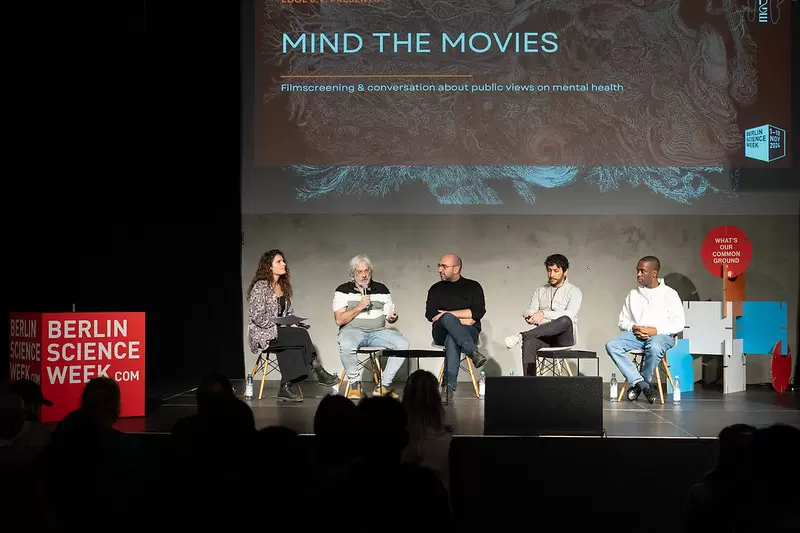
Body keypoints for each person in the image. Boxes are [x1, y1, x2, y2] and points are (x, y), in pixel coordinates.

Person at [248, 249, 339, 402]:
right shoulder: (260, 287)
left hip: (281, 334)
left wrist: (292, 322)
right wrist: (279, 325)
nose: (283, 264)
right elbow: (257, 317)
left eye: (283, 261)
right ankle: (318, 370)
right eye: (279, 262)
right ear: (269, 266)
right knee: (301, 335)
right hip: (263, 334)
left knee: (294, 342)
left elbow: (288, 312)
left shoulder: (282, 286)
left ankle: (285, 388)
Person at [605, 256, 685, 403]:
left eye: (643, 271)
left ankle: (640, 383)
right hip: (637, 336)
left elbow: (679, 324)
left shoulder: (670, 294)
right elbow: (622, 321)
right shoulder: (633, 294)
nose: (638, 274)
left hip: (662, 336)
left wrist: (656, 331)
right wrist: (633, 327)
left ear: (654, 273)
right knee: (612, 345)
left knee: (654, 346)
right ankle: (642, 384)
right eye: (637, 270)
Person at [333, 254, 410, 399]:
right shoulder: (343, 290)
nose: (364, 275)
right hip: (353, 331)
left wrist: (393, 317)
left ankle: (383, 385)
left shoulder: (382, 289)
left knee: (403, 344)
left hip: (378, 332)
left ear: (371, 271)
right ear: (353, 274)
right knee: (346, 344)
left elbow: (389, 316)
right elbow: (339, 320)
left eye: (366, 271)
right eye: (359, 272)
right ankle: (355, 384)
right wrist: (359, 307)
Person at [505, 254, 583, 376]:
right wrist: (529, 315)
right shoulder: (540, 291)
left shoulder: (574, 291)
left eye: (556, 271)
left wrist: (543, 313)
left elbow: (571, 314)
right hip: (544, 336)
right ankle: (530, 382)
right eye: (549, 270)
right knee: (529, 341)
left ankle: (521, 335)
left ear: (565, 271)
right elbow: (531, 309)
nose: (552, 275)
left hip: (563, 338)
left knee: (565, 319)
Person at [425, 253, 487, 401]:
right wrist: (463, 317)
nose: (440, 269)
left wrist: (448, 315)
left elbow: (478, 312)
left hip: (469, 331)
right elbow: (431, 315)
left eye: (444, 266)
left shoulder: (473, 286)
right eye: (439, 266)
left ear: (456, 268)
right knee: (447, 319)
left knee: (452, 338)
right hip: (440, 331)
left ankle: (448, 388)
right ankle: (472, 352)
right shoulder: (435, 289)